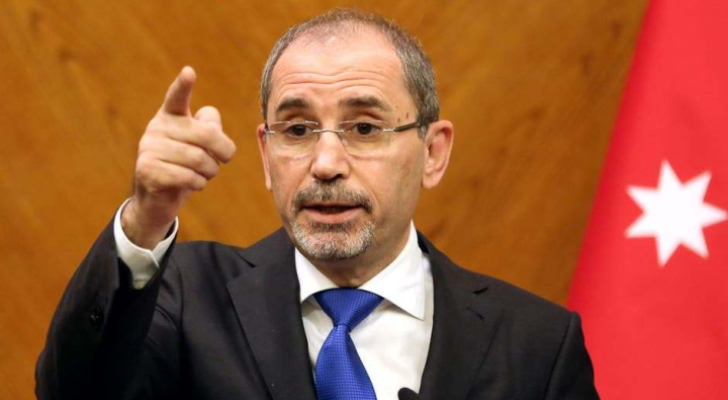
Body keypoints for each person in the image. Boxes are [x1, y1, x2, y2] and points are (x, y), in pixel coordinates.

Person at [36, 9, 599, 400]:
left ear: (433, 152)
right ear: (266, 154)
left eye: (364, 127)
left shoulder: (536, 345)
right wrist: (145, 218)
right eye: (298, 130)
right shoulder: (183, 297)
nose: (325, 163)